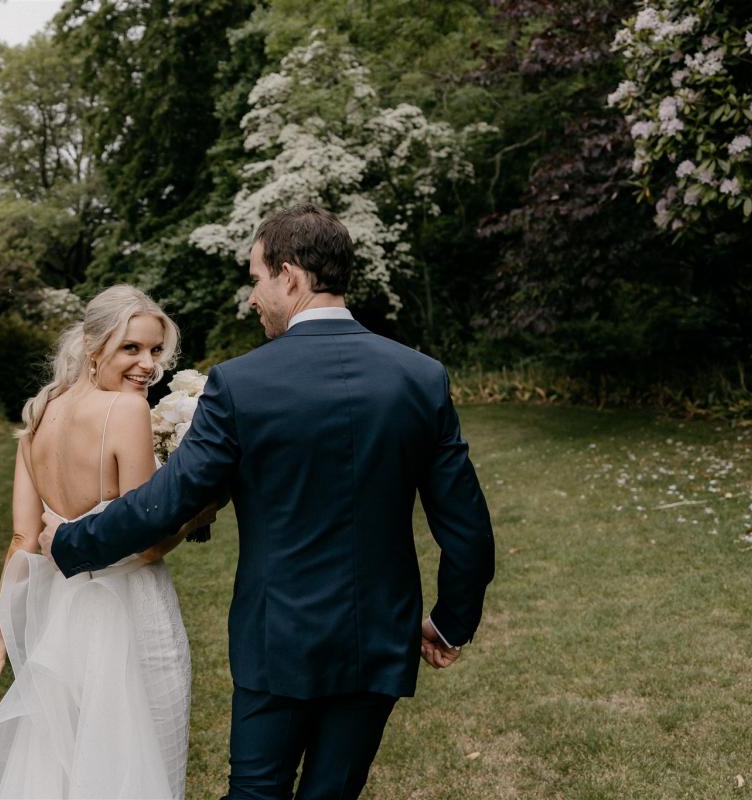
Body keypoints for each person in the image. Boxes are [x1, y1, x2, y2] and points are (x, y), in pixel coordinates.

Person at [40, 204, 496, 799]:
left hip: (277, 637)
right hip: (377, 638)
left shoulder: (241, 384)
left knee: (256, 792)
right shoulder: (420, 377)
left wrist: (69, 541)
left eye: (256, 278)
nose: (253, 296)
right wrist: (450, 622)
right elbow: (468, 532)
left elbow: (168, 500)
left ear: (289, 276)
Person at [0, 285, 213, 799]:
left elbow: (24, 538)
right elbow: (146, 542)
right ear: (93, 348)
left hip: (61, 618)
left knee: (65, 762)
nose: (148, 366)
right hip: (130, 614)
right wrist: (200, 509)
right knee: (139, 763)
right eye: (130, 349)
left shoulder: (39, 412)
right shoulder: (126, 412)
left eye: (155, 350)